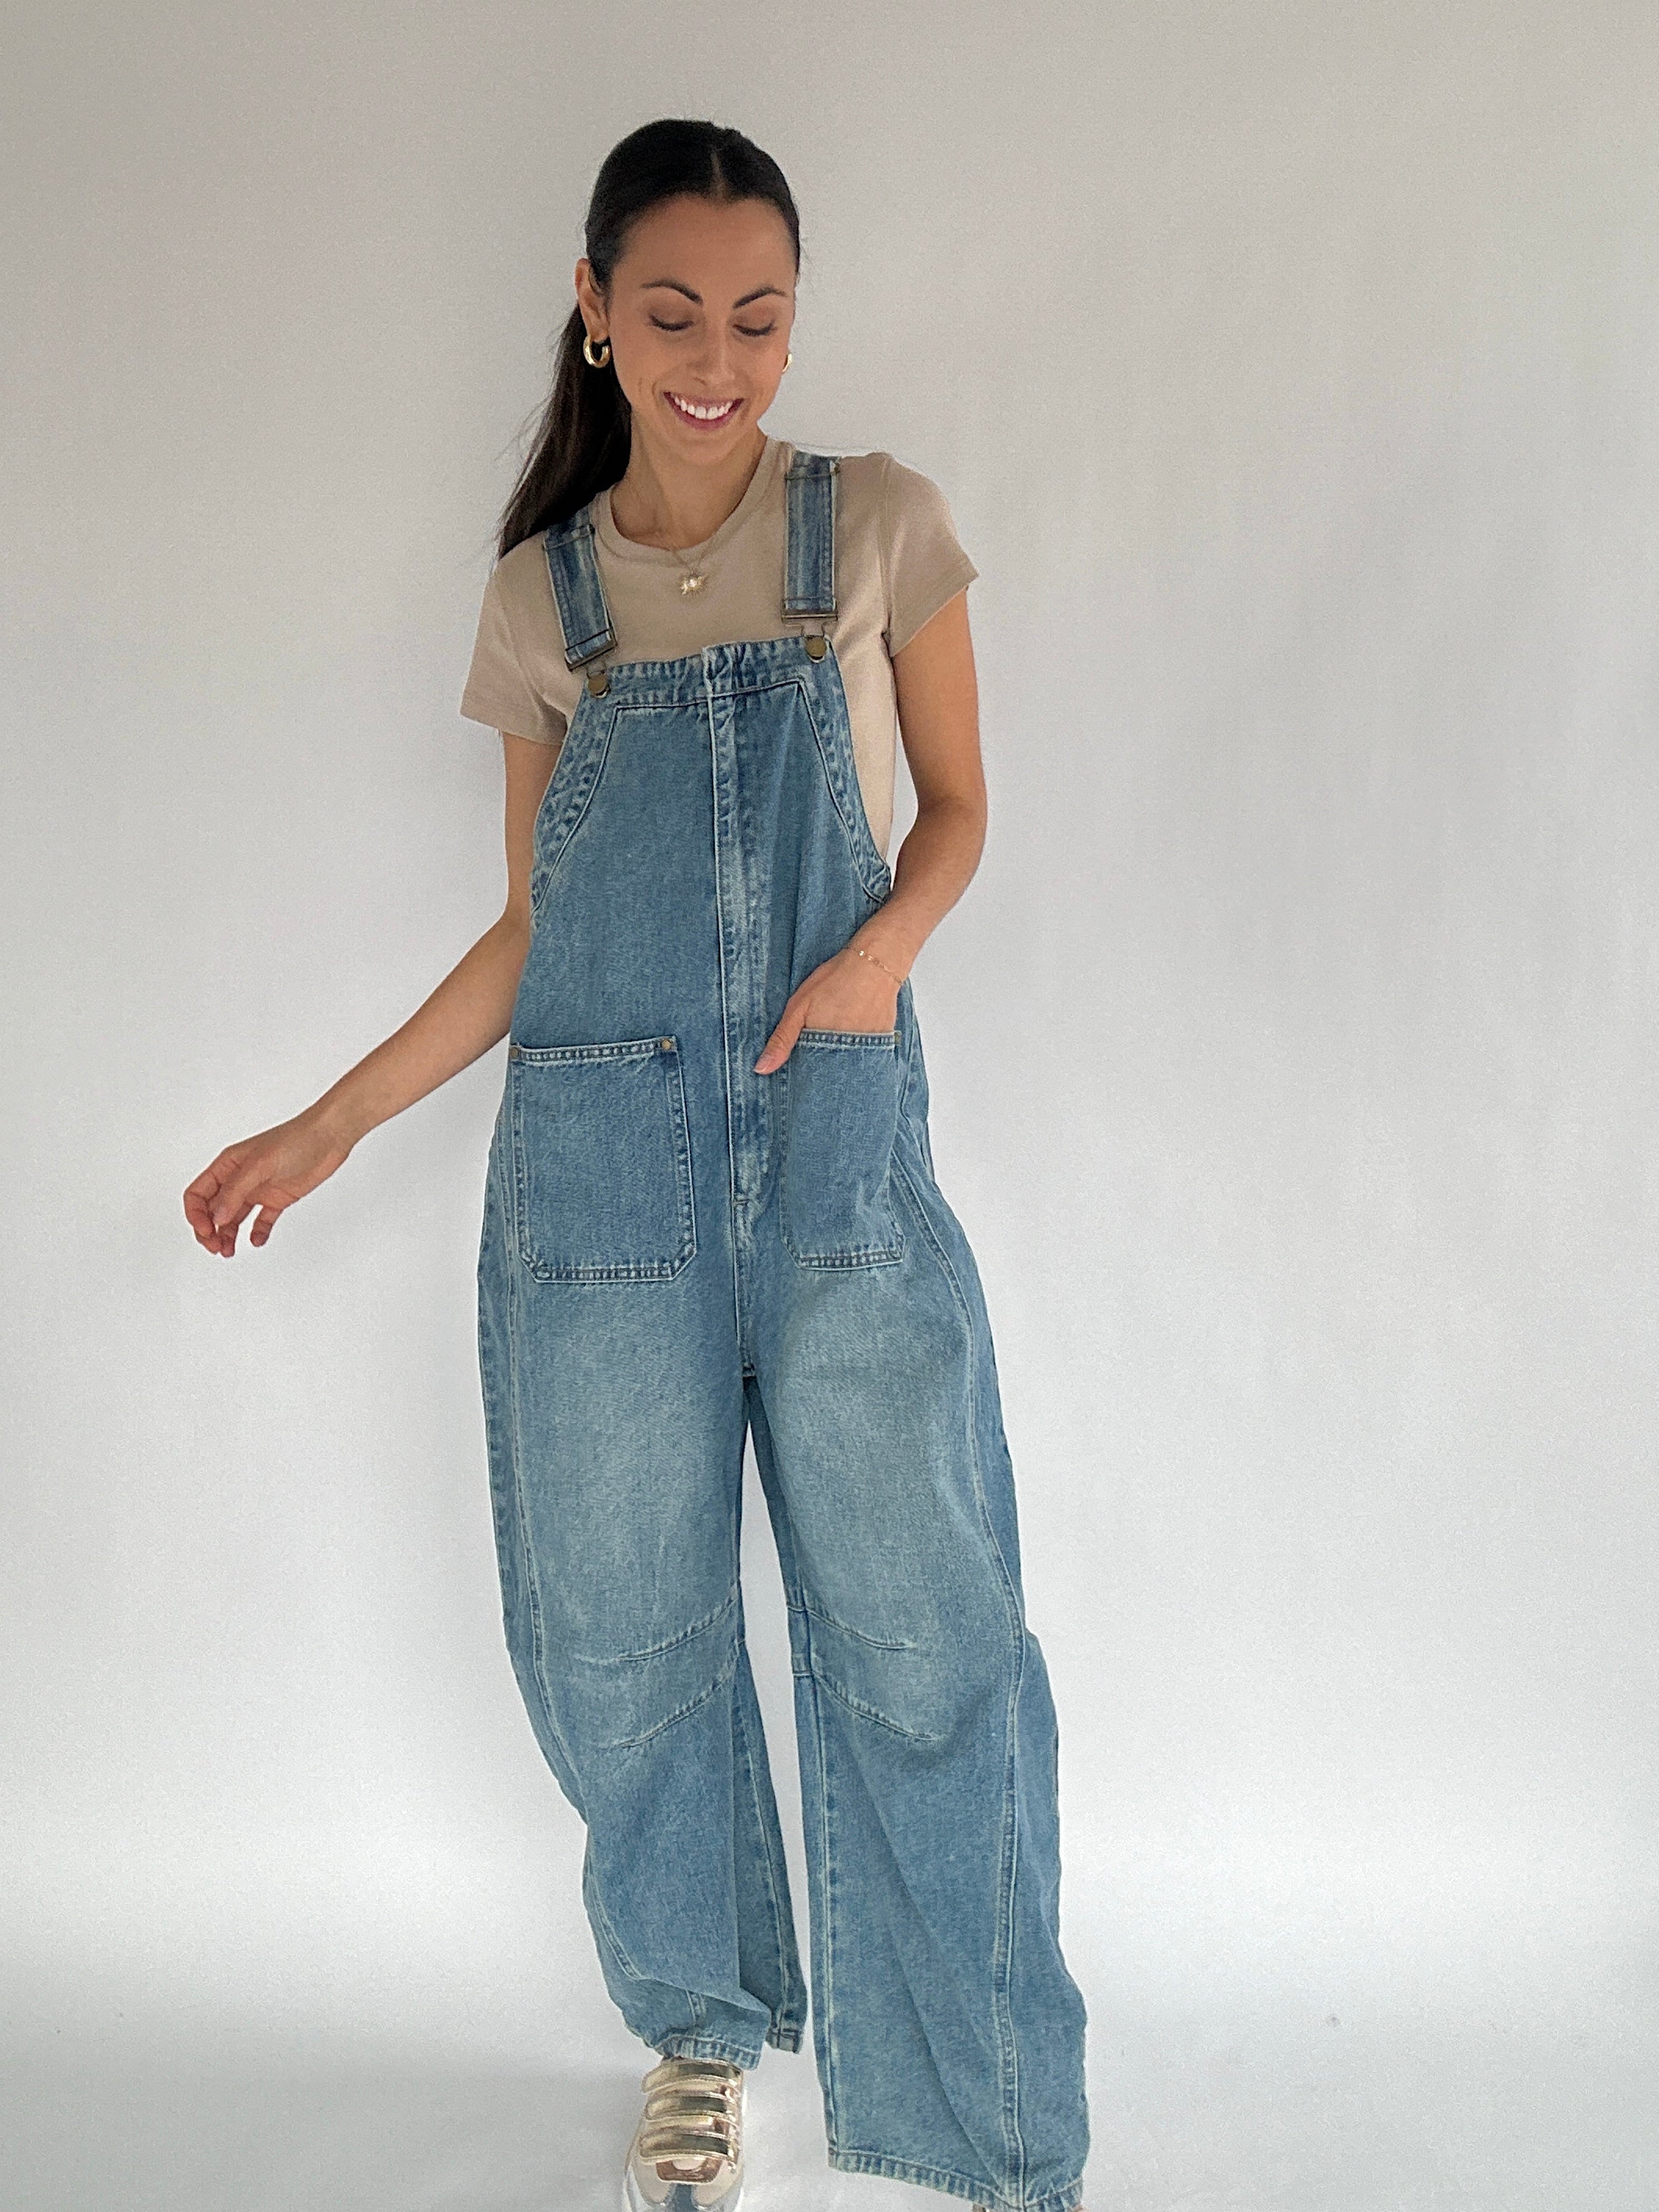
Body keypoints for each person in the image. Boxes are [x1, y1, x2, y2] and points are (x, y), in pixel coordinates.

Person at [184, 117, 1090, 2212]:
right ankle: (702, 2032)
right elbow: (534, 932)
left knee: (927, 1613)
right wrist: (329, 1122)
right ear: (594, 313)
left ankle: (980, 2115)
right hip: (600, 1167)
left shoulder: (873, 526)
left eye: (760, 318)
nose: (719, 358)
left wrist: (873, 958)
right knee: (621, 1624)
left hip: (837, 1124)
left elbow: (953, 809)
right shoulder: (544, 601)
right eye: (672, 313)